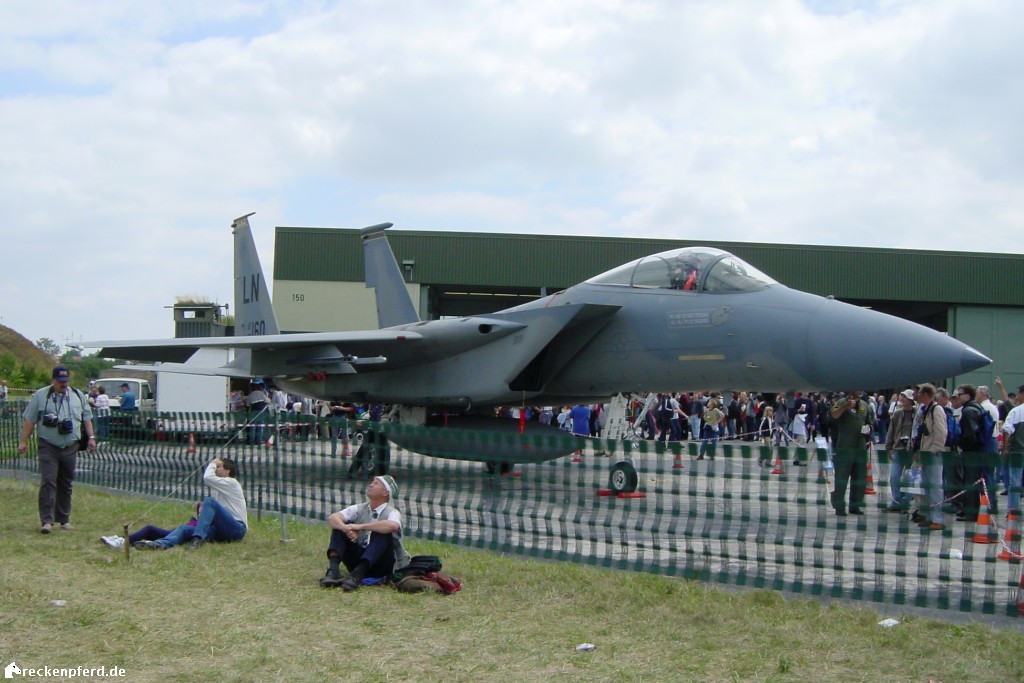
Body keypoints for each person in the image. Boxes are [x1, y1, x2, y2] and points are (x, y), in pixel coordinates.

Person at [17, 366, 96, 533]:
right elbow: (29, 420)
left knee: (66, 483)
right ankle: (47, 521)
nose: (63, 384)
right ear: (53, 380)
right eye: (60, 382)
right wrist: (23, 441)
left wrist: (91, 438)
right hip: (48, 445)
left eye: (66, 381)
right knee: (48, 481)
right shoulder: (41, 396)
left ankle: (64, 519)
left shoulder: (77, 395)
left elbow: (87, 418)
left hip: (70, 445)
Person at [320, 475, 411, 591]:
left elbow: (392, 525)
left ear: (385, 492)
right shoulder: (360, 508)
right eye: (372, 482)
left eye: (376, 483)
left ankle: (358, 575)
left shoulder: (392, 513)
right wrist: (346, 529)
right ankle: (334, 571)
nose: (371, 484)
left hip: (382, 565)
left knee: (382, 533)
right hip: (357, 561)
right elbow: (333, 518)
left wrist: (359, 526)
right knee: (339, 526)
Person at [134, 458, 248, 549]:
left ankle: (197, 539)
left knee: (209, 501)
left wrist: (213, 463)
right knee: (184, 529)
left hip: (236, 529)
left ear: (227, 471)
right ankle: (160, 544)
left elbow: (208, 477)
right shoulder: (220, 489)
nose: (216, 469)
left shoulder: (232, 483)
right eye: (216, 466)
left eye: (219, 467)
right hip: (221, 530)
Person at [951, 385, 995, 524]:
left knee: (970, 482)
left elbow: (970, 434)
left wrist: (961, 443)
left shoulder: (969, 411)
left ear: (968, 396)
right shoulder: (977, 408)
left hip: (972, 452)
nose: (958, 396)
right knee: (977, 481)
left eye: (960, 394)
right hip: (980, 450)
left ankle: (971, 512)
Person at [828, 391, 870, 517]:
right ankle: (839, 506)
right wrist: (845, 407)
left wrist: (869, 428)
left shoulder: (864, 405)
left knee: (860, 476)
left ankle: (855, 505)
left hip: (861, 444)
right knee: (842, 476)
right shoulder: (841, 402)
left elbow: (868, 420)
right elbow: (833, 415)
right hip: (845, 444)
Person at [912, 384, 948, 530]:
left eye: (919, 392)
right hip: (924, 453)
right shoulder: (924, 410)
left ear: (926, 394)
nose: (916, 395)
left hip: (933, 453)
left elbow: (941, 432)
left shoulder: (936, 409)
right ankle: (929, 516)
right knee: (926, 486)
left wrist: (934, 450)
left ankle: (938, 519)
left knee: (935, 486)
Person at [101, 503, 201, 549]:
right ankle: (124, 540)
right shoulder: (194, 521)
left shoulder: (203, 527)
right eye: (199, 512)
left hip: (176, 536)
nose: (201, 514)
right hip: (174, 533)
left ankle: (124, 542)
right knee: (150, 531)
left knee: (149, 529)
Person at [884, 389, 917, 512]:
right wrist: (888, 447)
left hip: (912, 450)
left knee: (909, 477)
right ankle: (896, 500)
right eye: (901, 396)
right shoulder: (897, 413)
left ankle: (906, 501)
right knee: (894, 477)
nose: (902, 399)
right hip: (898, 448)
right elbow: (891, 431)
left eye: (905, 397)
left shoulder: (917, 413)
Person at [999, 386, 1024, 518]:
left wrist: (1005, 448)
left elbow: (1007, 430)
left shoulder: (1016, 411)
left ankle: (1013, 510)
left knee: (1015, 480)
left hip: (1017, 451)